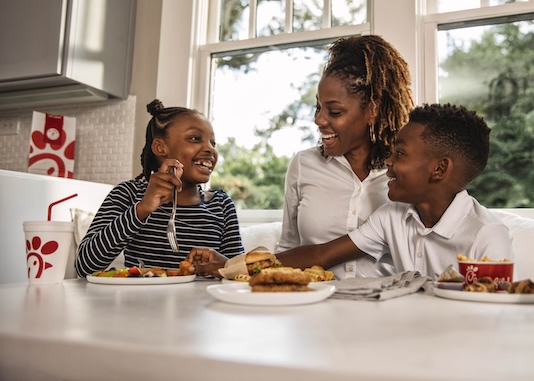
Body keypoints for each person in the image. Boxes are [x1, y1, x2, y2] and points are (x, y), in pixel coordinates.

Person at [186, 103, 513, 279]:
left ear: (438, 169)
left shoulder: (487, 236)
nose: (389, 161)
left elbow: (489, 317)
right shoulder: (394, 216)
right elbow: (318, 255)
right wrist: (233, 266)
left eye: (400, 153)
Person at [276, 34, 414, 279]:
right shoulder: (304, 165)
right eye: (318, 107)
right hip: (315, 304)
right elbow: (288, 248)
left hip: (386, 308)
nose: (318, 120)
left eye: (335, 111)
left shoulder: (406, 172)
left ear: (372, 110)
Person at [75, 99, 243, 278]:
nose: (210, 149)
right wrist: (142, 209)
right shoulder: (128, 194)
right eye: (195, 138)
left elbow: (241, 275)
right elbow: (84, 267)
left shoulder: (221, 205)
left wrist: (224, 265)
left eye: (213, 143)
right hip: (141, 304)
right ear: (160, 147)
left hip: (202, 305)